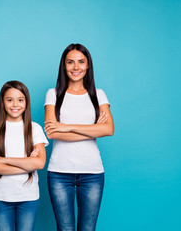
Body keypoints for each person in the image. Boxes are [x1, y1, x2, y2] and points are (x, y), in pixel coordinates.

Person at [44, 43, 114, 231]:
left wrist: (66, 127)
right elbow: (52, 132)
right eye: (71, 62)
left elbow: (108, 130)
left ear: (88, 65)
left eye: (81, 62)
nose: (76, 67)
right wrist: (92, 129)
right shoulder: (53, 94)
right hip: (59, 173)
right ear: (64, 66)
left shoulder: (98, 95)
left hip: (92, 173)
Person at [0, 81, 48, 231]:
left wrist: (4, 160)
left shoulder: (35, 129)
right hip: (1, 197)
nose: (15, 104)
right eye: (9, 100)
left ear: (26, 102)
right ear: (2, 102)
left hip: (28, 197)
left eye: (20, 100)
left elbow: (40, 163)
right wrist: (27, 164)